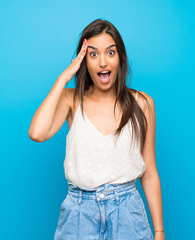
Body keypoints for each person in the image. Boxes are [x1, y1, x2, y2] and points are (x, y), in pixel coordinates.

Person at [29, 19, 165, 240]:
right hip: (79, 215)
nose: (103, 62)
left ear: (120, 57)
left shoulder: (142, 103)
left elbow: (149, 174)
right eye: (93, 54)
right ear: (84, 61)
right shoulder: (70, 100)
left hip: (128, 214)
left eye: (110, 53)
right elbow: (37, 133)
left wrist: (159, 232)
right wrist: (64, 77)